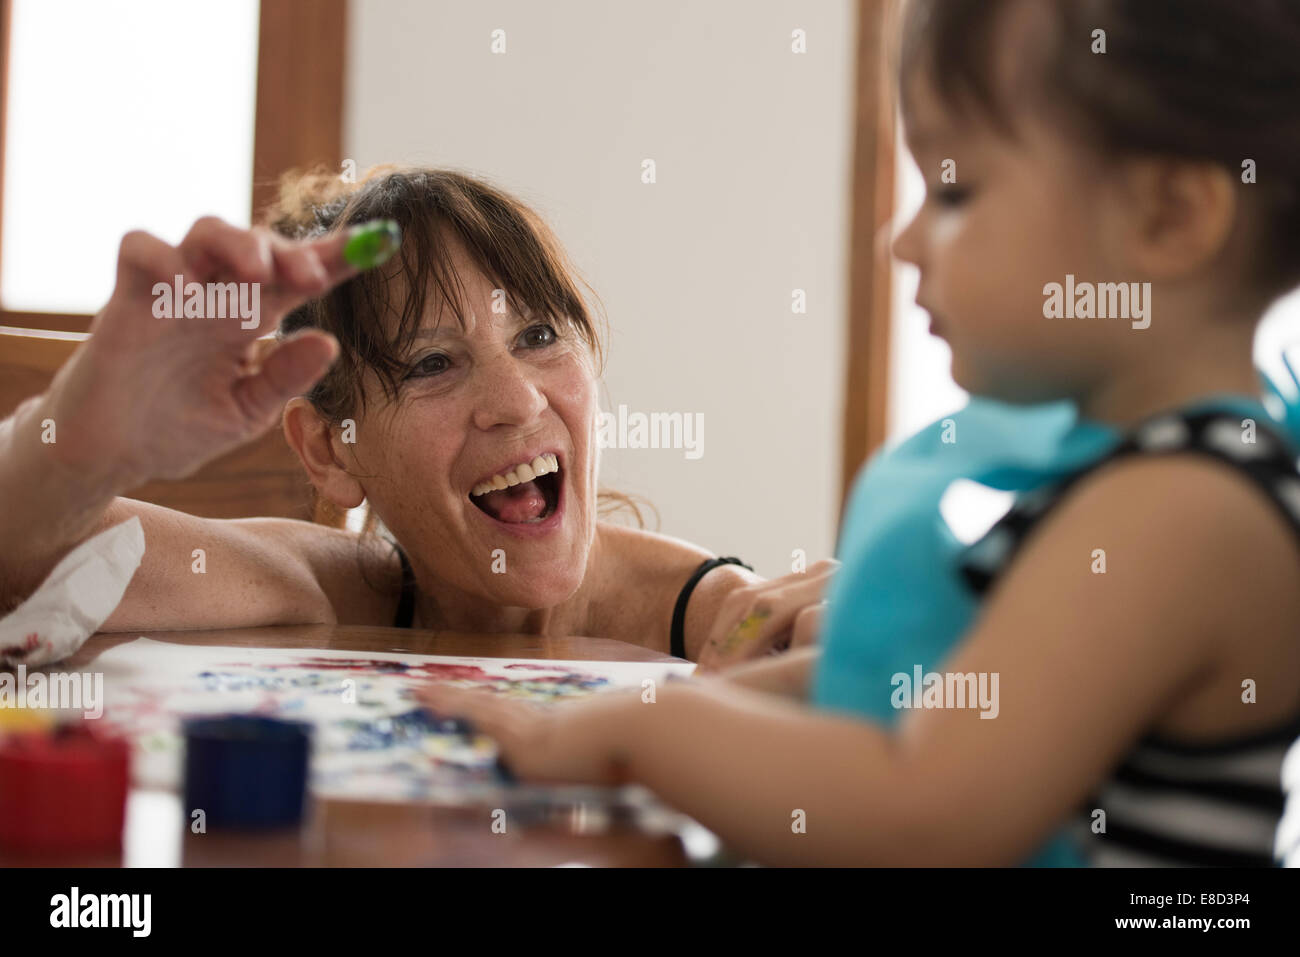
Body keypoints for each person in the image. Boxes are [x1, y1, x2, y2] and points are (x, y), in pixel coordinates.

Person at [420, 0, 1300, 866]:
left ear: (1168, 217)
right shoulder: (1132, 479)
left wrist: (651, 729)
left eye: (955, 190)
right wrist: (664, 702)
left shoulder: (1184, 508)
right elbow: (940, 690)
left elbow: (925, 810)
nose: (902, 241)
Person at [0, 166, 835, 665]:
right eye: (433, 363)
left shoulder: (710, 615)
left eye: (539, 335)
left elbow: (758, 618)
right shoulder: (326, 589)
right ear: (330, 449)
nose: (517, 400)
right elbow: (33, 564)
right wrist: (75, 442)